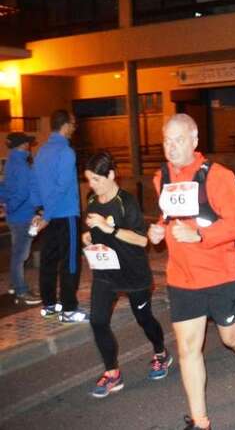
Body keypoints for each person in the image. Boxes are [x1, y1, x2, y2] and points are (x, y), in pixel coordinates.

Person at [148, 114, 235, 430]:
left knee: (231, 337)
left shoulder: (218, 176)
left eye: (178, 140)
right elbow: (168, 215)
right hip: (182, 278)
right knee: (188, 350)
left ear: (195, 141)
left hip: (220, 276)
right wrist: (159, 230)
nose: (171, 147)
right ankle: (201, 422)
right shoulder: (161, 177)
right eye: (167, 140)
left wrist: (200, 235)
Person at [82, 151, 172, 398]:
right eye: (89, 179)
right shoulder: (92, 200)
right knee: (97, 321)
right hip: (105, 272)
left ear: (111, 175)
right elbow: (94, 232)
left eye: (96, 179)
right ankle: (112, 373)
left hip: (133, 273)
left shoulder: (126, 202)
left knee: (144, 318)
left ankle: (161, 353)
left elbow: (142, 240)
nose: (92, 185)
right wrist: (89, 236)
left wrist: (108, 228)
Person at [32, 110, 86, 322]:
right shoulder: (66, 152)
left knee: (48, 260)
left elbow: (35, 184)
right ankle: (69, 309)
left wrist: (40, 212)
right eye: (73, 123)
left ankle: (49, 305)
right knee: (70, 262)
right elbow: (62, 187)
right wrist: (47, 215)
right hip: (66, 214)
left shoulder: (41, 152)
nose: (74, 127)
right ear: (65, 125)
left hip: (49, 214)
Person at [0, 132, 42, 305]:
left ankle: (14, 284)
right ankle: (21, 291)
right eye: (28, 143)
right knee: (20, 255)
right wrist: (10, 207)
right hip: (23, 216)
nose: (30, 146)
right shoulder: (23, 166)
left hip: (14, 216)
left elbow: (5, 187)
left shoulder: (10, 163)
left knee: (17, 253)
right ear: (23, 145)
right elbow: (24, 192)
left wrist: (5, 205)